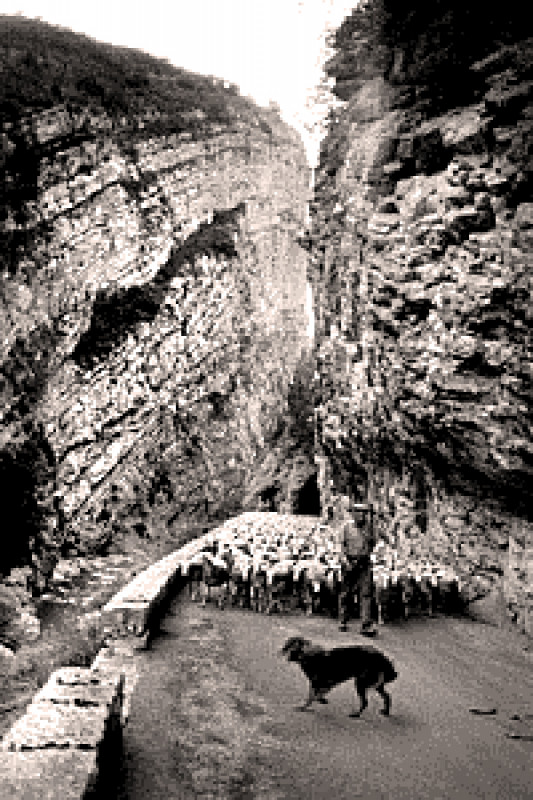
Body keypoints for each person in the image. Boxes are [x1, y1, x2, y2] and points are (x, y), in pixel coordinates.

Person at [335, 497, 377, 636]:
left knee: (366, 593)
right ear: (353, 514)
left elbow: (373, 544)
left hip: (364, 563)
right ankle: (343, 620)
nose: (361, 515)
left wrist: (368, 553)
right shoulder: (346, 528)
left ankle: (366, 624)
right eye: (358, 512)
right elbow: (341, 546)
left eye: (364, 512)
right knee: (346, 593)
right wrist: (345, 561)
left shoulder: (370, 528)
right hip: (349, 561)